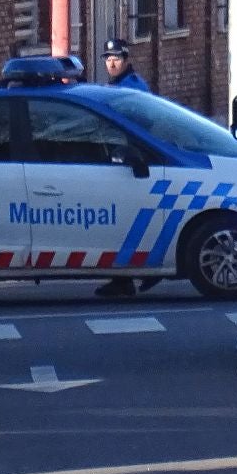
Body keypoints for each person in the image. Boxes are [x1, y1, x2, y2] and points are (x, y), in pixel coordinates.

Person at [97, 39, 156, 298]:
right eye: (107, 58)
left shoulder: (131, 89)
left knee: (125, 221)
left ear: (126, 60)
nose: (111, 63)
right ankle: (124, 278)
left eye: (116, 58)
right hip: (124, 161)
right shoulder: (117, 86)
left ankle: (136, 273)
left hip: (132, 163)